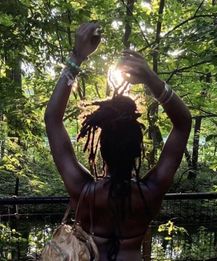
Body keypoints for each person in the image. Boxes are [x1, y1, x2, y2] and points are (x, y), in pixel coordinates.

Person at [44, 22, 192, 261]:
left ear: (101, 147)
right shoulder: (150, 192)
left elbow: (52, 119)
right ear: (137, 148)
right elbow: (183, 122)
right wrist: (151, 80)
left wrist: (77, 57)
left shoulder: (84, 192)